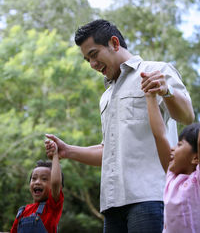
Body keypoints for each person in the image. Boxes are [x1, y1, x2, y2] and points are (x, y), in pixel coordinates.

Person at [45, 19, 194, 233]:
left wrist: (166, 90)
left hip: (150, 198)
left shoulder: (157, 70)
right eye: (87, 59)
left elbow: (187, 116)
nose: (92, 65)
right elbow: (109, 151)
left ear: (114, 43)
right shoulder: (106, 96)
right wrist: (67, 151)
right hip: (112, 206)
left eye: (94, 54)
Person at [145, 86, 200, 233]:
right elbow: (159, 135)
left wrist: (167, 91)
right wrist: (150, 97)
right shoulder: (171, 178)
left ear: (196, 157)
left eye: (180, 144)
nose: (173, 148)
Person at [11, 139, 64, 233]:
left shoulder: (52, 207)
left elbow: (56, 182)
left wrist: (55, 156)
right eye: (34, 178)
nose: (37, 182)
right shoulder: (22, 212)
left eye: (44, 179)